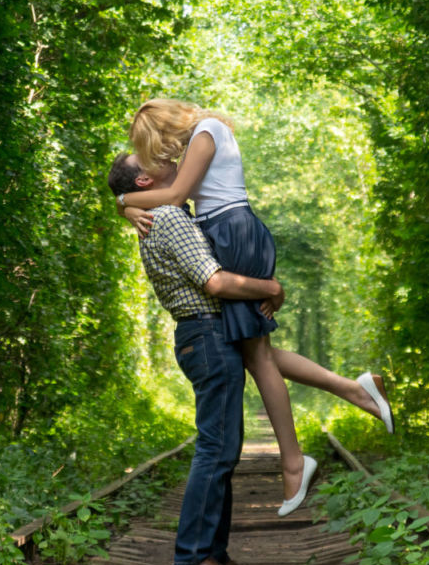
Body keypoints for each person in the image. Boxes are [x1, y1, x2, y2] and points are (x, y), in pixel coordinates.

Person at [115, 99, 393, 516]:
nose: (160, 157)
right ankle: (354, 391)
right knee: (254, 352)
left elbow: (174, 196)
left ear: (164, 129)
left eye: (154, 147)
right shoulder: (200, 138)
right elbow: (172, 197)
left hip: (232, 231)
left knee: (258, 356)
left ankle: (294, 463)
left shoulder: (206, 132)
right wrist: (129, 206)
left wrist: (124, 202)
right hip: (225, 232)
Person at [108, 152, 277, 565]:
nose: (167, 155)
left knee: (224, 447)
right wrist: (271, 287)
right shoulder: (169, 217)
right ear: (144, 181)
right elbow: (214, 281)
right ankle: (193, 557)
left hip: (203, 336)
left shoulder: (163, 212)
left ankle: (212, 554)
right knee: (216, 447)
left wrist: (123, 205)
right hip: (207, 335)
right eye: (153, 156)